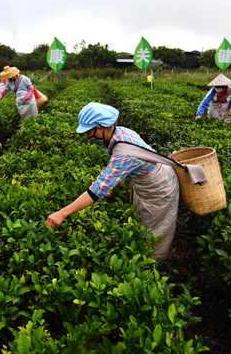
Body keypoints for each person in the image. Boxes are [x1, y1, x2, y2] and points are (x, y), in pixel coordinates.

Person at [45, 102, 179, 259]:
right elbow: (127, 166)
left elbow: (96, 191)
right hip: (151, 177)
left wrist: (62, 213)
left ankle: (155, 264)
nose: (88, 137)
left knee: (155, 229)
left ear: (100, 128)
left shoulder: (123, 154)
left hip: (159, 186)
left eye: (89, 132)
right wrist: (112, 184)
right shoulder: (122, 132)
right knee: (144, 220)